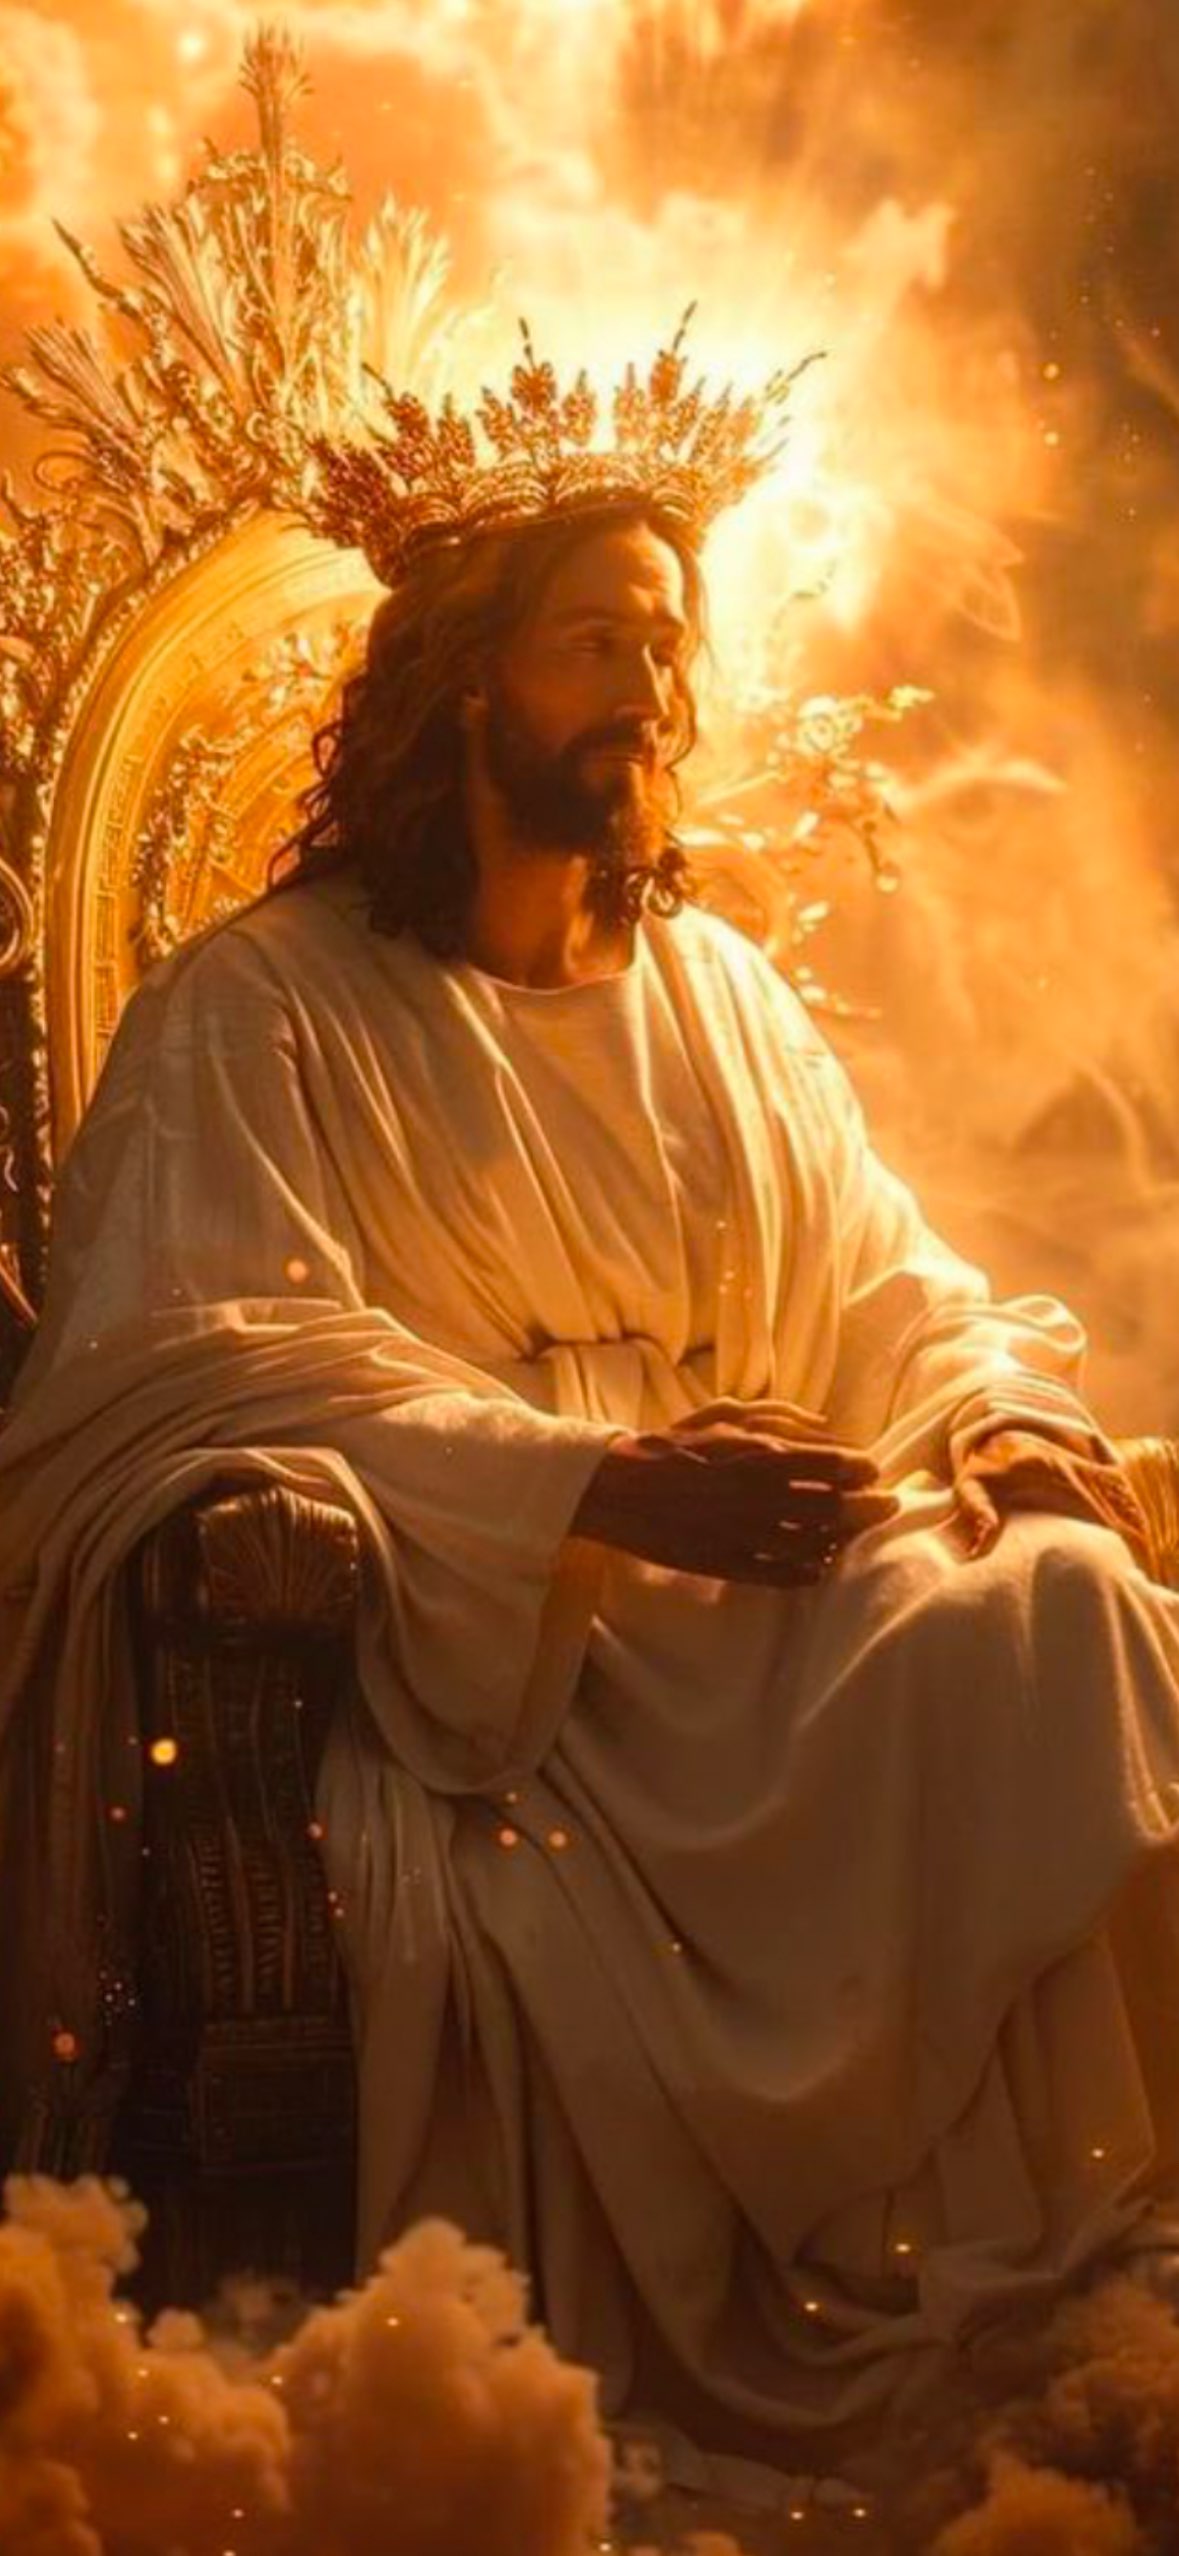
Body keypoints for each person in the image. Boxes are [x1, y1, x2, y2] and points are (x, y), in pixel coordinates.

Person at [3, 330, 1179, 2500]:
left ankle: (1061, 2282)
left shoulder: (710, 992)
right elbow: (196, 1348)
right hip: (496, 1655)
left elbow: (881, 1277)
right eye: (596, 643)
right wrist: (585, 1483)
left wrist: (990, 1410)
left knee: (1074, 1608)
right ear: (464, 680)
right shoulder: (261, 1007)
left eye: (668, 639)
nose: (652, 686)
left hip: (762, 1598)